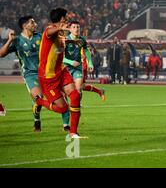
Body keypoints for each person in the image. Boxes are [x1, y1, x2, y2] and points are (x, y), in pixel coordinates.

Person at [0, 16, 70, 131]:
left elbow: (56, 46)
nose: (35, 24)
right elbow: (1, 54)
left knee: (62, 97)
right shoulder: (17, 40)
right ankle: (37, 120)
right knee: (38, 98)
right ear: (25, 26)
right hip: (30, 74)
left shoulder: (40, 37)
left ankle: (66, 126)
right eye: (32, 22)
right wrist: (9, 40)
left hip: (47, 73)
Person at [33, 8, 83, 138]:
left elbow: (62, 45)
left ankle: (73, 132)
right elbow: (50, 32)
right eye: (65, 17)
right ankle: (40, 102)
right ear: (60, 19)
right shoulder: (49, 31)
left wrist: (73, 42)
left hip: (61, 72)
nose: (67, 19)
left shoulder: (61, 35)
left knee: (76, 96)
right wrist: (64, 29)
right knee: (62, 108)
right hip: (48, 77)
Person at [64, 21, 105, 100]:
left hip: (77, 68)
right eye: (74, 27)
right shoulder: (65, 40)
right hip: (66, 68)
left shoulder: (82, 39)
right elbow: (61, 57)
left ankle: (76, 106)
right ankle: (99, 91)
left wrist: (90, 63)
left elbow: (86, 50)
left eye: (78, 27)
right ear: (70, 29)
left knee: (78, 87)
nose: (76, 29)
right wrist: (71, 62)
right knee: (67, 89)